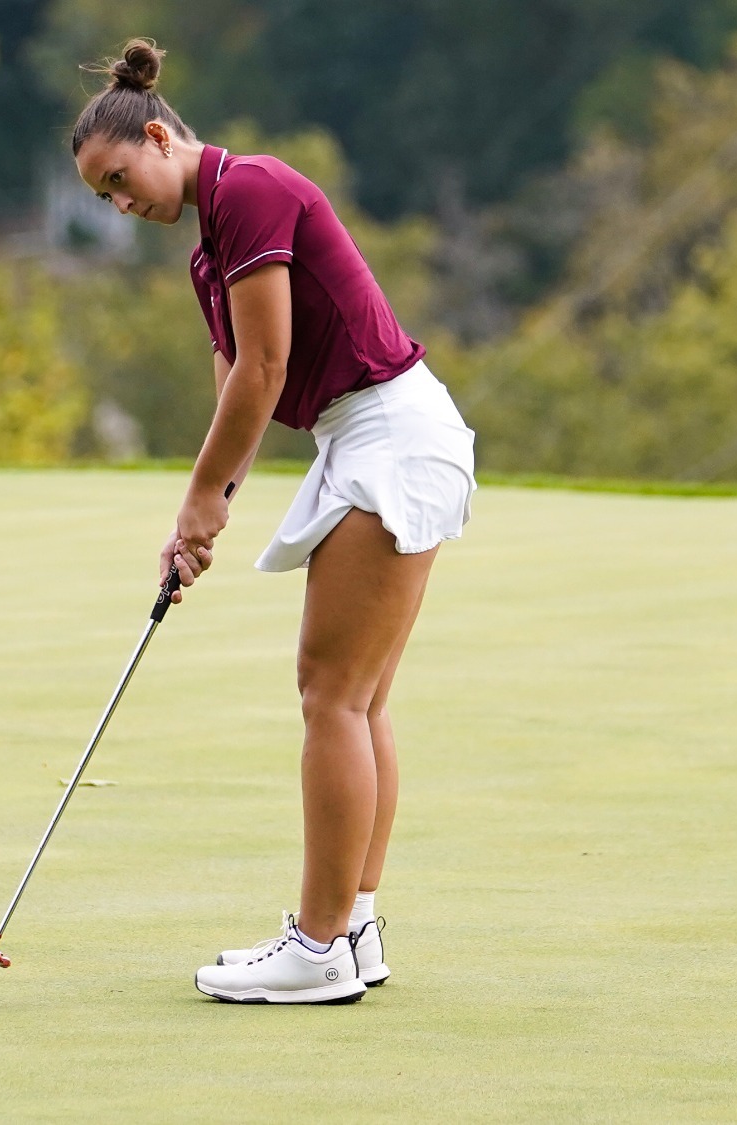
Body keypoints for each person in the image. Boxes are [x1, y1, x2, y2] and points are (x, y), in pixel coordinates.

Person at [71, 39, 478, 1004]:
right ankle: (356, 929)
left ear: (161, 137)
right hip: (372, 436)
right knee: (359, 698)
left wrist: (201, 498)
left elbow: (266, 368)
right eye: (104, 198)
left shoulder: (251, 190)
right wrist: (204, 515)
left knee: (329, 694)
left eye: (121, 180)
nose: (122, 205)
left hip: (389, 432)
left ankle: (318, 944)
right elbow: (235, 393)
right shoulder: (212, 250)